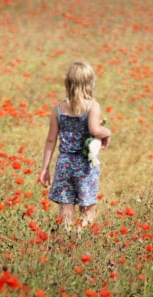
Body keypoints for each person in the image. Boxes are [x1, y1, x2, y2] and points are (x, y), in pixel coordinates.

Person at [39, 61, 111, 232]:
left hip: (64, 164)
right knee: (88, 209)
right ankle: (79, 237)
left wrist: (45, 168)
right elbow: (94, 129)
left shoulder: (58, 109)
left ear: (68, 83)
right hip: (84, 165)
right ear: (90, 82)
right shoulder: (92, 106)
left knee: (66, 208)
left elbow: (50, 141)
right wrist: (106, 132)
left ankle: (67, 240)